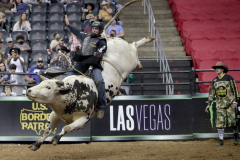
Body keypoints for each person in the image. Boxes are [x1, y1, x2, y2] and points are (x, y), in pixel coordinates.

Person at [65, 15, 107, 119]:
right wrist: (68, 25)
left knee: (100, 81)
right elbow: (77, 32)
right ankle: (66, 98)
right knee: (68, 76)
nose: (94, 30)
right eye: (93, 28)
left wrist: (91, 65)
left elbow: (98, 55)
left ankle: (101, 106)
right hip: (81, 64)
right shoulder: (86, 36)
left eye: (96, 28)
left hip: (94, 65)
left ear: (100, 30)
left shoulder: (102, 41)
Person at [205, 62, 239, 146]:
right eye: (216, 68)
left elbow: (235, 90)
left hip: (230, 104)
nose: (216, 69)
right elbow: (211, 93)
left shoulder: (229, 78)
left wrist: (235, 102)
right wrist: (209, 103)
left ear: (222, 69)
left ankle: (236, 135)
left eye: (218, 68)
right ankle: (221, 140)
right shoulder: (214, 81)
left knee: (232, 122)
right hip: (220, 105)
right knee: (220, 123)